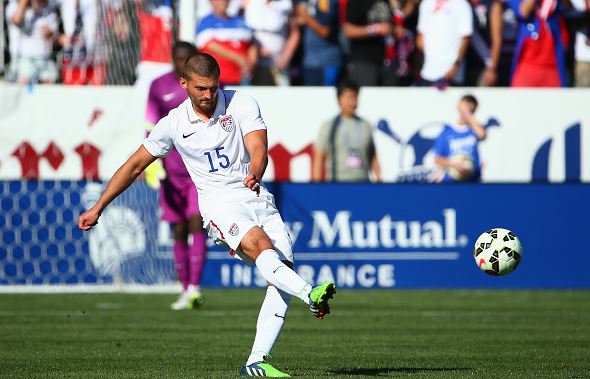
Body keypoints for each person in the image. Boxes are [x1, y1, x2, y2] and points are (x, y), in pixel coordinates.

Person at [79, 52, 336, 377]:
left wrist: (255, 171)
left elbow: (259, 148)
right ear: (184, 83)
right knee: (260, 246)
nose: (208, 95)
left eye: (213, 87)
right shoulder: (172, 124)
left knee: (280, 272)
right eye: (201, 88)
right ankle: (309, 293)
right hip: (218, 205)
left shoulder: (240, 103)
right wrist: (99, 206)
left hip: (255, 195)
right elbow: (133, 167)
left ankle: (256, 362)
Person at [144, 41, 208, 310]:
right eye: (178, 59)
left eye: (187, 59)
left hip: (199, 170)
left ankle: (194, 287)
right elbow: (150, 125)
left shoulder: (203, 85)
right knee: (179, 229)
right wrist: (152, 164)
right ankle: (184, 288)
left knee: (196, 222)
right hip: (171, 171)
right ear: (171, 59)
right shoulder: (158, 86)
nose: (182, 64)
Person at [312, 79, 381, 182]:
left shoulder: (366, 125)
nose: (353, 102)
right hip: (337, 185)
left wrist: (379, 180)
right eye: (349, 97)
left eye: (355, 97)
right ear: (339, 99)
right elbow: (319, 157)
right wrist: (316, 187)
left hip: (363, 184)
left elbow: (373, 157)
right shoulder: (329, 126)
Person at [508, 0, 568, 87]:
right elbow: (523, 11)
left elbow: (569, 9)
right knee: (520, 99)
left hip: (553, 66)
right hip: (527, 65)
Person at [196, 0, 256, 85]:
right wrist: (238, 58)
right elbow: (208, 44)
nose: (223, 2)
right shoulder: (206, 22)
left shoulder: (239, 21)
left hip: (243, 77)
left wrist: (251, 62)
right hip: (219, 79)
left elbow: (252, 43)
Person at [416, 0, 473, 87]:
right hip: (427, 72)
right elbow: (421, 36)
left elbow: (465, 38)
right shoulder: (426, 3)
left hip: (451, 73)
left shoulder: (461, 4)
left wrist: (456, 65)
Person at [432, 94, 487, 183]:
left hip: (472, 180)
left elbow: (482, 135)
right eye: (464, 106)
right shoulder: (446, 132)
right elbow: (437, 159)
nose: (466, 110)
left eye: (470, 108)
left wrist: (467, 114)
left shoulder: (474, 130)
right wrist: (454, 165)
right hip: (451, 181)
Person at [5, 0, 59, 84]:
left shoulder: (48, 7)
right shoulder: (14, 5)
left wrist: (49, 34)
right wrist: (24, 3)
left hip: (44, 58)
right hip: (22, 58)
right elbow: (16, 20)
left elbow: (55, 39)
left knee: (51, 80)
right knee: (23, 80)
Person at [295, 0, 343, 86]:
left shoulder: (326, 2)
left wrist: (305, 16)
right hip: (310, 61)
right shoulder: (306, 2)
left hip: (327, 62)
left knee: (327, 97)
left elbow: (324, 31)